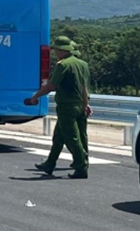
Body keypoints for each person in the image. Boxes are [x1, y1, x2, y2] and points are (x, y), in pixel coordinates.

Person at [27, 36, 92, 179]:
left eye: (56, 49)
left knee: (72, 138)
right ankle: (50, 164)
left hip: (66, 107)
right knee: (63, 136)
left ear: (62, 50)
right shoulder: (82, 64)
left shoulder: (63, 65)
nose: (55, 52)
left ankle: (81, 166)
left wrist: (36, 96)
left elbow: (52, 85)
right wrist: (85, 104)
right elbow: (84, 88)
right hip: (79, 105)